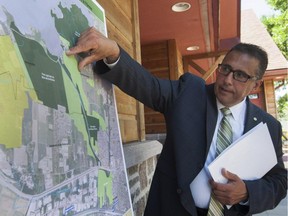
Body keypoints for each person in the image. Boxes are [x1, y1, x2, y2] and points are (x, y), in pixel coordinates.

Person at [66, 27, 287, 216]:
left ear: (256, 85)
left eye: (240, 75)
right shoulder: (190, 92)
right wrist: (114, 53)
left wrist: (248, 192)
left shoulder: (267, 127)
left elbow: (279, 182)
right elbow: (148, 86)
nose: (228, 80)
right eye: (226, 69)